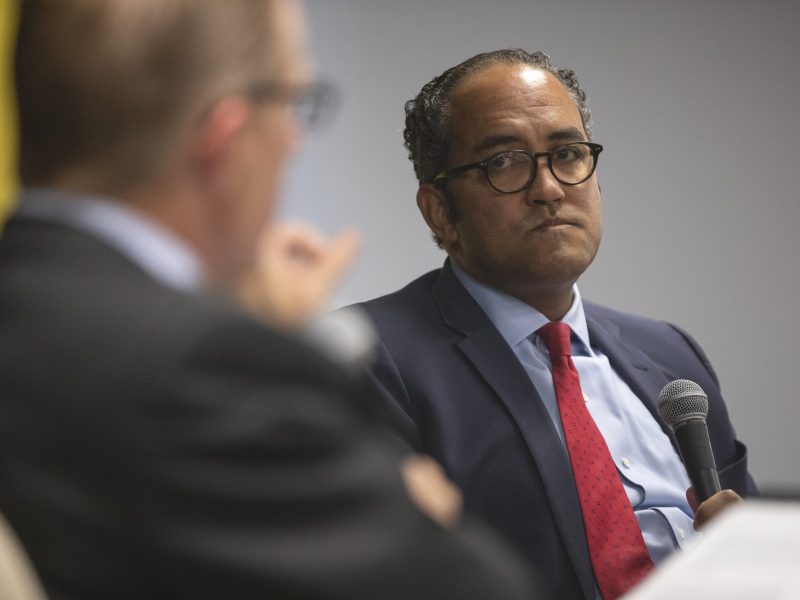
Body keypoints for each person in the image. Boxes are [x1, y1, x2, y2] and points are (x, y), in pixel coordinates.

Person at [0, 3, 537, 598]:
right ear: (224, 140)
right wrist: (405, 506)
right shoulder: (205, 369)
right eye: (293, 106)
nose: (292, 142)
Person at [350, 49, 757, 599]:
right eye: (505, 162)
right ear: (440, 211)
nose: (549, 188)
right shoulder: (366, 359)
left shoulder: (672, 356)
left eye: (567, 153)